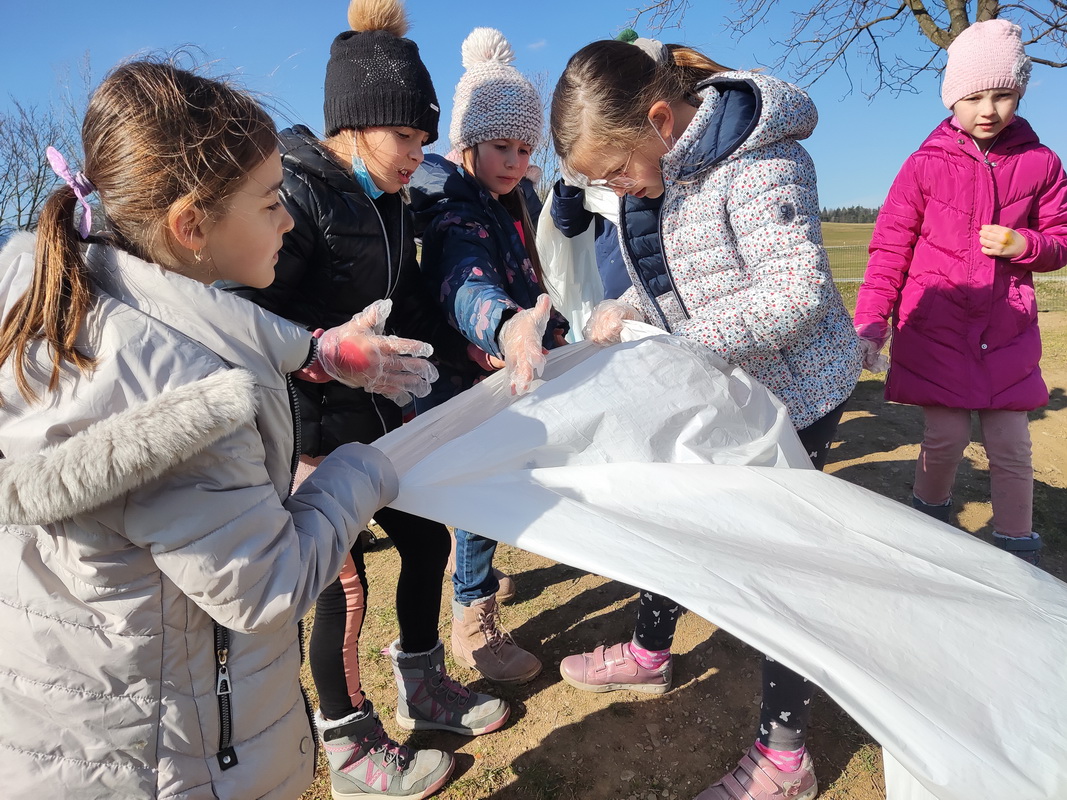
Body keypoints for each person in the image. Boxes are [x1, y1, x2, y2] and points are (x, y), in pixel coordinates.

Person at [0, 59, 441, 799]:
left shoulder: (63, 301)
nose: (288, 220)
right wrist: (363, 467)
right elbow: (265, 586)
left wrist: (315, 351)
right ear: (192, 226)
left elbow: (196, 318)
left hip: (67, 728)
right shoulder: (193, 407)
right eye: (270, 204)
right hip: (170, 761)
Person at [550, 35, 861, 799]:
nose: (615, 189)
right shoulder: (660, 176)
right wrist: (626, 310)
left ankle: (785, 758)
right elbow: (676, 282)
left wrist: (678, 346)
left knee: (779, 569)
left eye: (614, 170)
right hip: (724, 391)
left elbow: (794, 294)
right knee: (679, 518)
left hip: (795, 398)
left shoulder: (759, 164)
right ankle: (649, 654)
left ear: (660, 121)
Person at [229, 1, 509, 797]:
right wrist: (323, 357)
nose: (417, 154)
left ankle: (423, 688)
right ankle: (349, 744)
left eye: (425, 138)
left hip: (377, 431)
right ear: (352, 125)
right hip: (306, 438)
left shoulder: (388, 200)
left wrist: (474, 342)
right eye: (405, 136)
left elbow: (408, 301)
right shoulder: (295, 195)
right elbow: (245, 319)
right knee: (342, 589)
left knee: (425, 545)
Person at [855, 19, 1067, 567]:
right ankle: (930, 527)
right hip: (938, 328)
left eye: (1003, 95)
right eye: (974, 97)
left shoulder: (1042, 164)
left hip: (1006, 331)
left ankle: (1017, 550)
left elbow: (1061, 240)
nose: (988, 110)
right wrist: (872, 323)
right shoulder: (923, 165)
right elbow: (889, 250)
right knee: (944, 436)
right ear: (952, 98)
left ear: (1019, 93)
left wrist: (1026, 244)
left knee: (1012, 445)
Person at [410, 27, 569, 685]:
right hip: (463, 378)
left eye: (525, 149)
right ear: (467, 143)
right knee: (484, 489)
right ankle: (471, 622)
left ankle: (472, 570)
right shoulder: (456, 209)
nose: (514, 161)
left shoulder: (508, 200)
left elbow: (527, 275)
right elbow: (465, 281)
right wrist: (502, 328)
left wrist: (551, 326)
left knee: (488, 493)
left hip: (501, 366)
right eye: (501, 146)